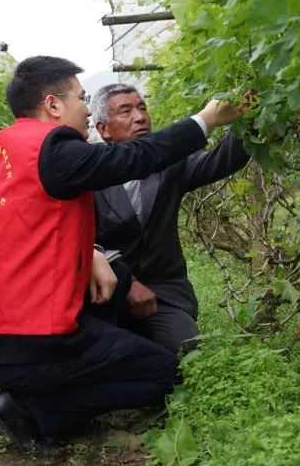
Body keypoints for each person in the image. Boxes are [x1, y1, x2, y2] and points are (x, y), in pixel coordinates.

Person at [0, 56, 242, 452]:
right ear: (53, 105)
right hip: (30, 339)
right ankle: (34, 408)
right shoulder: (54, 148)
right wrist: (205, 120)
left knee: (142, 336)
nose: (86, 108)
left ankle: (37, 393)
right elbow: (135, 158)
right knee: (165, 373)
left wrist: (90, 252)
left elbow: (27, 226)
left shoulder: (1, 149)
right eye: (81, 97)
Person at [89, 83, 250, 354]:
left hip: (165, 292)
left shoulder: (168, 161)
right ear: (104, 129)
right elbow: (76, 240)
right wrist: (127, 284)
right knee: (107, 358)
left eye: (142, 108)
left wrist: (252, 117)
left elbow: (221, 160)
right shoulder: (88, 171)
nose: (139, 117)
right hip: (105, 292)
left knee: (185, 352)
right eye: (125, 111)